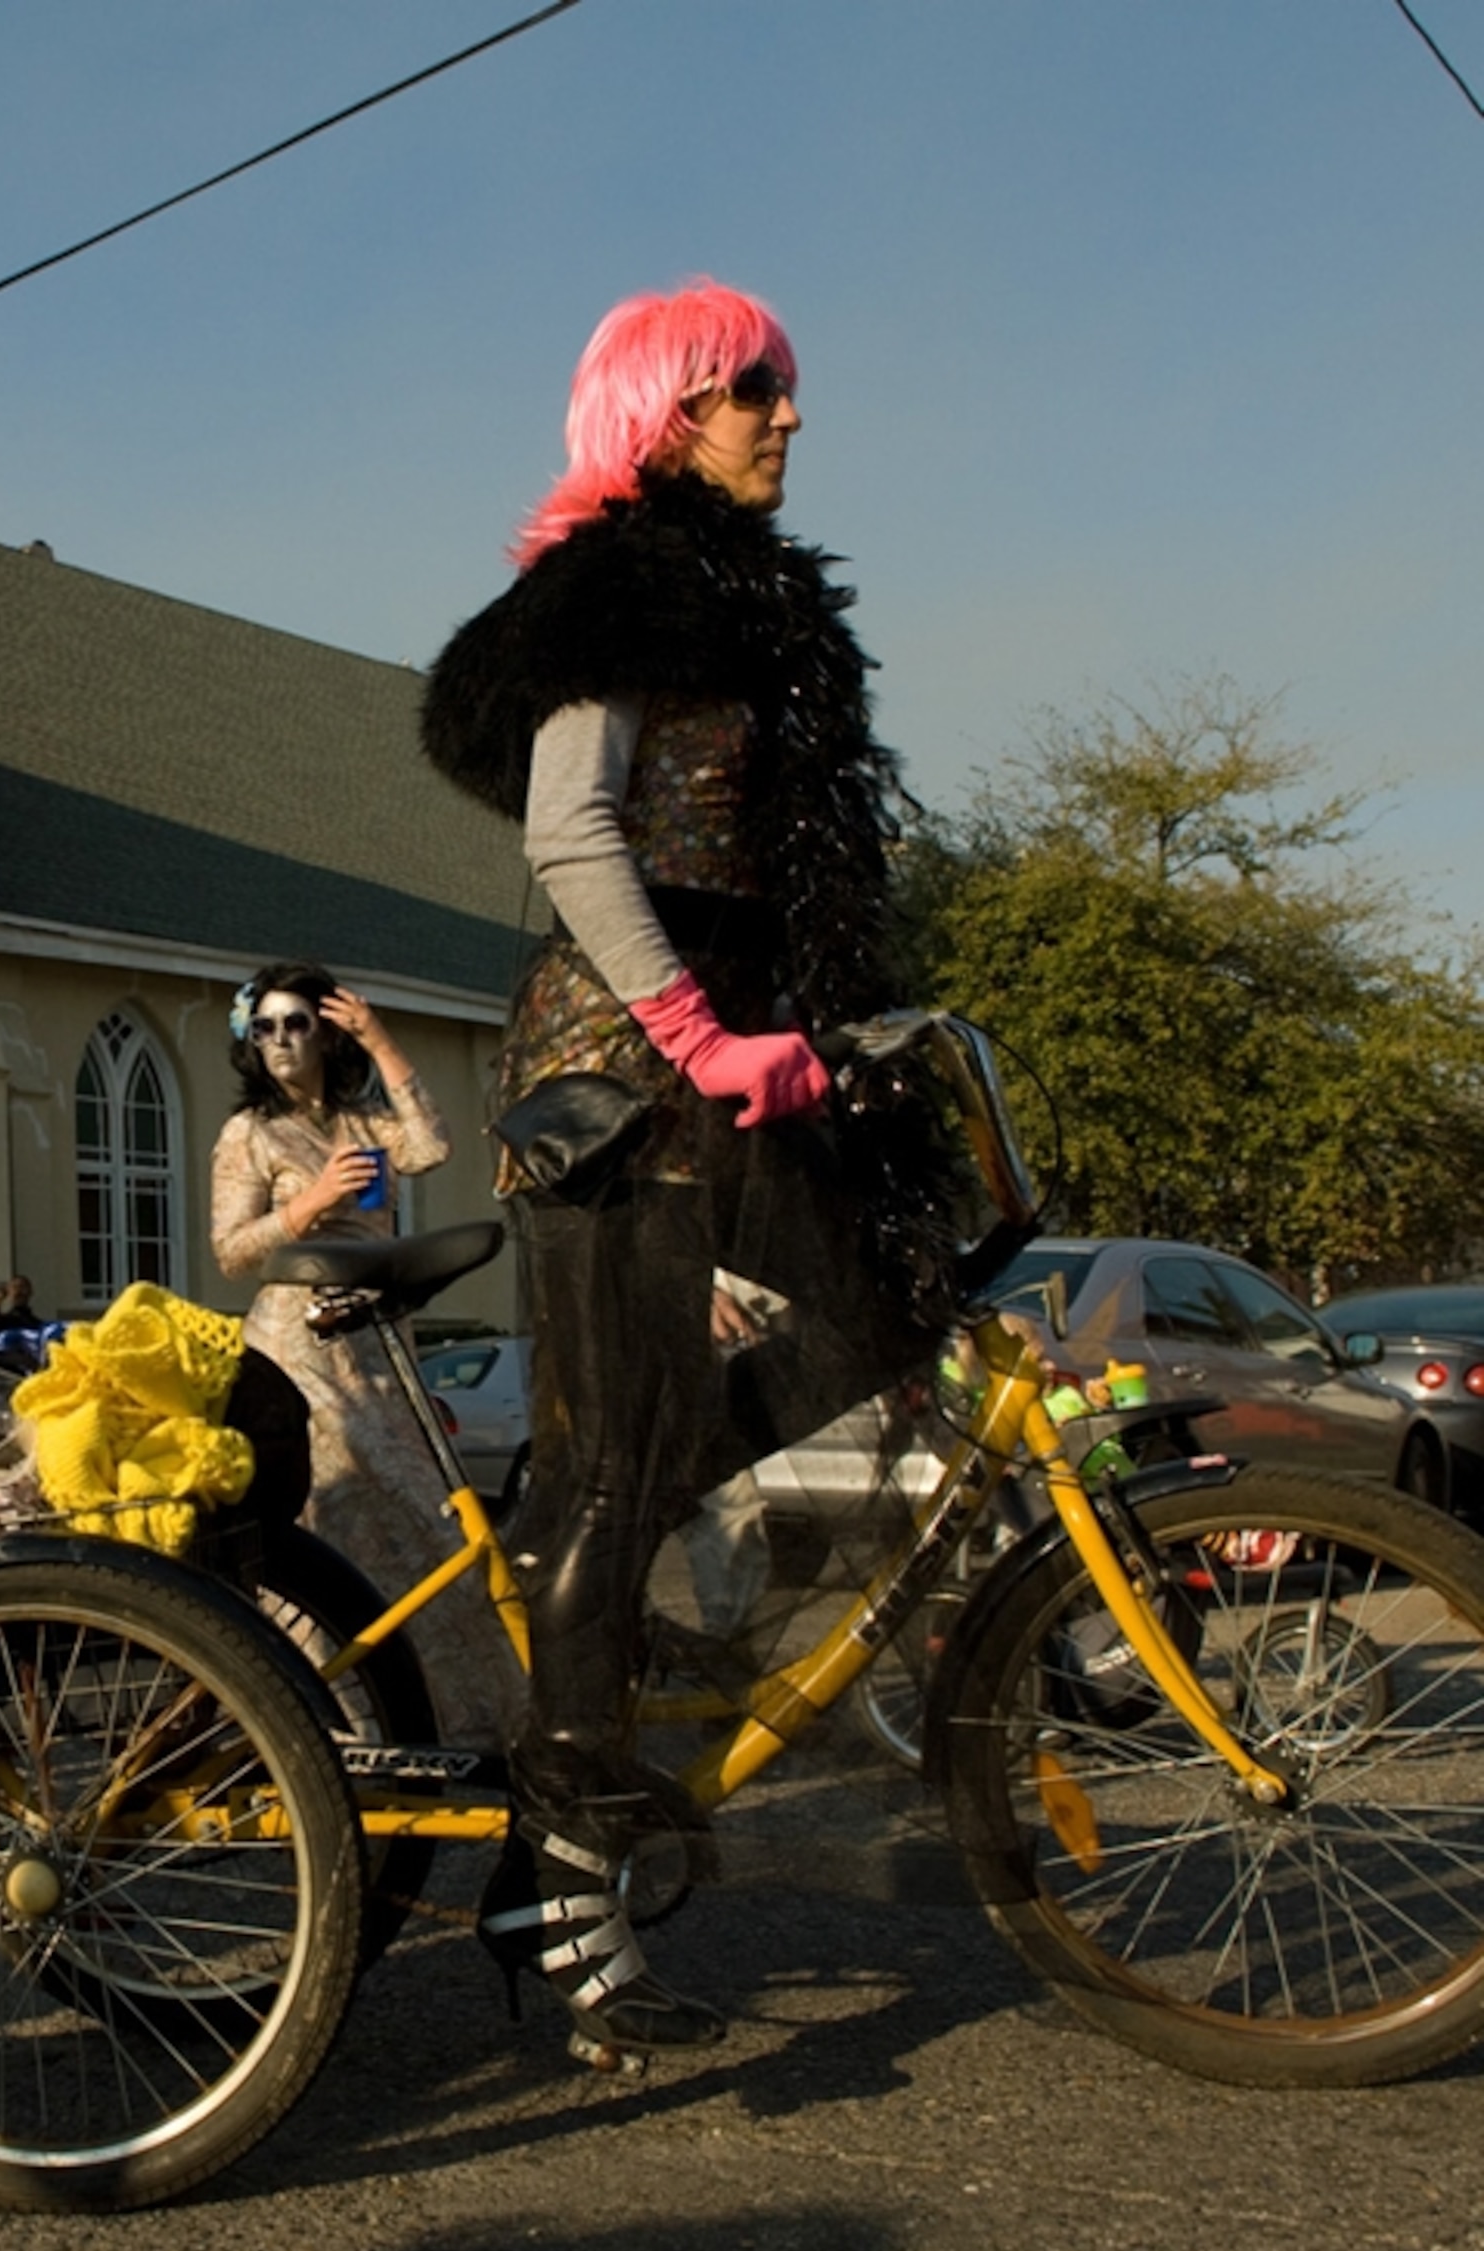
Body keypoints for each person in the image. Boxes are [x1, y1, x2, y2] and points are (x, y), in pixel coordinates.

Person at [419, 279, 952, 2053]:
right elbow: (575, 827)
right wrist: (701, 1034)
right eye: (749, 391)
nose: (784, 416)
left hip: (720, 1054)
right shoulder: (623, 587)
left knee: (887, 1304)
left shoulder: (751, 600)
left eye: (785, 390)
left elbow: (759, 860)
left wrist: (819, 1021)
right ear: (664, 415)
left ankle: (615, 1524)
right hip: (613, 1078)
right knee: (603, 1463)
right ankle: (566, 1913)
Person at [207, 965, 520, 1746]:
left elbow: (433, 1144)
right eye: (265, 1027)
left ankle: (454, 1708)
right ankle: (324, 1720)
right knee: (327, 1521)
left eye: (297, 1024)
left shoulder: (359, 1124)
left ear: (326, 1033)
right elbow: (231, 1252)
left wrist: (379, 1038)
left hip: (380, 1343)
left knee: (428, 1518)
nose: (279, 1040)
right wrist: (307, 1207)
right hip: (298, 1345)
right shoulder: (250, 1133)